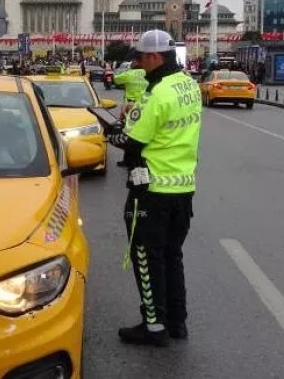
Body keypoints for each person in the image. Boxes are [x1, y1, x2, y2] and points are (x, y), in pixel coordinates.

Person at [105, 29, 202, 347]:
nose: (138, 63)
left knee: (146, 256)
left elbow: (133, 142)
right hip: (182, 187)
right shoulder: (189, 85)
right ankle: (177, 322)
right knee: (173, 255)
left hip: (153, 189)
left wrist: (110, 133)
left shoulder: (160, 93)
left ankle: (154, 326)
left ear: (154, 57)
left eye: (141, 57)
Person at [113, 59, 149, 167]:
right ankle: (142, 157)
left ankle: (127, 160)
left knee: (128, 134)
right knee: (143, 133)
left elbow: (115, 80)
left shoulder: (129, 74)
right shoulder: (148, 74)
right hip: (145, 106)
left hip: (129, 108)